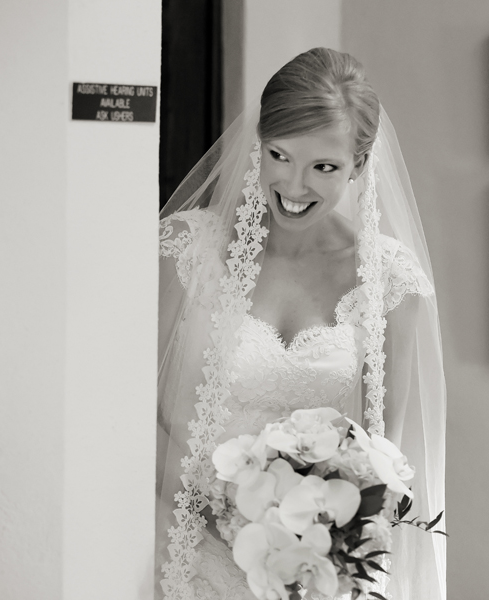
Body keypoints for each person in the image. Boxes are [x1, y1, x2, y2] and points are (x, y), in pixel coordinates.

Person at [157, 48, 446, 600]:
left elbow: (380, 460)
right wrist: (228, 518)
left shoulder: (390, 284)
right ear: (258, 146)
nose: (294, 185)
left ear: (359, 167)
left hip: (310, 570)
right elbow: (127, 417)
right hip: (179, 540)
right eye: (280, 155)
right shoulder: (185, 250)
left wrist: (308, 546)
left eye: (325, 167)